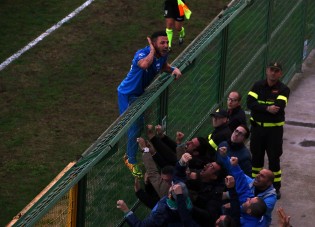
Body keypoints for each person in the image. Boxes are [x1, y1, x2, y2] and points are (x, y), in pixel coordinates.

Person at [117, 31, 182, 178]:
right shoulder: (142, 54)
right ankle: (130, 159)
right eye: (162, 43)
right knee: (133, 126)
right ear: (153, 44)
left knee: (139, 125)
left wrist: (172, 69)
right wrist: (152, 50)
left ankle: (135, 150)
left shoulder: (163, 54)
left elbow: (162, 66)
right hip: (127, 94)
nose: (166, 45)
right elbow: (146, 64)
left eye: (167, 42)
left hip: (139, 94)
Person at [247, 62, 290, 199]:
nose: (273, 73)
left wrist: (259, 108)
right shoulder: (257, 85)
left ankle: (275, 188)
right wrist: (267, 108)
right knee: (256, 160)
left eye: (276, 71)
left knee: (274, 160)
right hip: (258, 130)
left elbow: (278, 108)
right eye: (271, 70)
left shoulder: (284, 89)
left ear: (280, 74)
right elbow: (249, 103)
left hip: (274, 133)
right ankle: (256, 185)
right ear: (267, 71)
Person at [217, 149, 277, 226]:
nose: (257, 176)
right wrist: (226, 158)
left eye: (262, 176)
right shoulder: (251, 184)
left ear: (269, 183)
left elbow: (256, 209)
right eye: (259, 173)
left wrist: (234, 205)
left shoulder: (270, 199)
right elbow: (239, 176)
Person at [116, 182, 199, 226]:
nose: (172, 185)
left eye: (173, 187)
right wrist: (140, 192)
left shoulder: (160, 214)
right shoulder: (187, 204)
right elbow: (155, 203)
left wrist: (126, 210)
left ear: (170, 195)